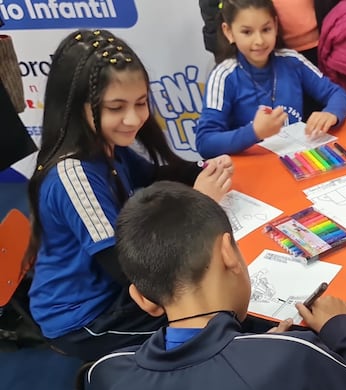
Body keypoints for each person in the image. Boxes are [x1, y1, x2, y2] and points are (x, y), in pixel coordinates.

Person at [84, 181, 346, 390]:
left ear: (142, 298)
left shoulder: (105, 375)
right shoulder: (294, 359)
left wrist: (259, 352)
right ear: (229, 253)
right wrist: (343, 330)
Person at [22, 30, 234, 362]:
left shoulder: (106, 146)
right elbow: (128, 273)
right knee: (217, 318)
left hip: (120, 290)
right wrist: (199, 204)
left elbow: (155, 174)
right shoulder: (73, 176)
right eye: (116, 107)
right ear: (77, 107)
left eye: (140, 103)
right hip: (88, 317)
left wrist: (204, 167)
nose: (134, 118)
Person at [195, 0, 346, 159]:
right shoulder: (224, 76)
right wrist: (254, 132)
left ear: (275, 26)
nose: (259, 41)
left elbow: (336, 93)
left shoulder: (292, 61)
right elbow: (205, 142)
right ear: (229, 32)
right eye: (247, 32)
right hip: (254, 167)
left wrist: (331, 113)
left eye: (266, 29)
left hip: (296, 159)